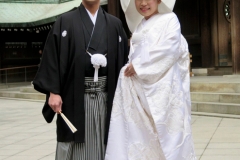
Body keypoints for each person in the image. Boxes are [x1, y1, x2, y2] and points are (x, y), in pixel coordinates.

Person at [33, 0, 128, 159]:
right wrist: (53, 92)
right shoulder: (65, 21)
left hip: (107, 98)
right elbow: (52, 59)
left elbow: (124, 61)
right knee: (74, 141)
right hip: (74, 98)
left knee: (109, 141)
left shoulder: (115, 25)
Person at [105, 0, 196, 159]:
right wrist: (132, 68)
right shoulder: (139, 26)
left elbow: (169, 51)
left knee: (168, 142)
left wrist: (139, 66)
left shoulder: (170, 19)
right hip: (139, 95)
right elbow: (133, 57)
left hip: (163, 93)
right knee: (141, 141)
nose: (143, 3)